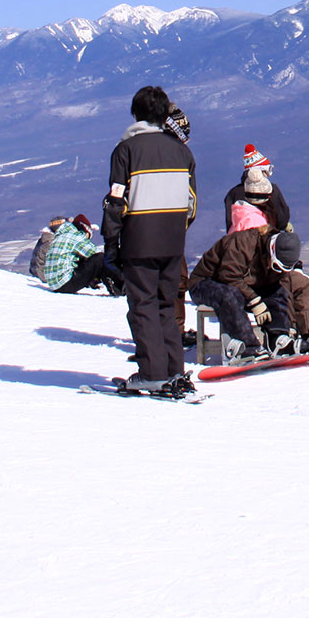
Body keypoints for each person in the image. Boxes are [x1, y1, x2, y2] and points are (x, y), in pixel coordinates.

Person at [103, 85, 198, 396]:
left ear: (136, 113)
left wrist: (111, 243)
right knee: (165, 306)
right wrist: (176, 229)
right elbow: (191, 202)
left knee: (141, 305)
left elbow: (116, 201)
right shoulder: (183, 151)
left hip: (139, 240)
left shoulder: (126, 151)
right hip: (173, 241)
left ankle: (151, 372)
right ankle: (174, 369)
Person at [188, 200, 297, 363]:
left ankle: (278, 339)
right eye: (276, 266)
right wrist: (255, 301)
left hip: (243, 285)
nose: (277, 271)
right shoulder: (243, 242)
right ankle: (247, 347)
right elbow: (229, 276)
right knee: (230, 295)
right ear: (271, 251)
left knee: (278, 292)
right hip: (205, 283)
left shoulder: (276, 260)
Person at [32, 215, 119, 295]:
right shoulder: (75, 236)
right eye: (88, 236)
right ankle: (116, 288)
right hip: (64, 284)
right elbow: (95, 253)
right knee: (99, 258)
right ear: (85, 231)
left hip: (54, 284)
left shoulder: (61, 236)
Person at [222, 144, 291, 232]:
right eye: (267, 171)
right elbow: (282, 220)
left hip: (238, 241)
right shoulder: (272, 190)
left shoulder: (232, 194)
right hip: (266, 239)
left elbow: (230, 224)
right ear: (261, 172)